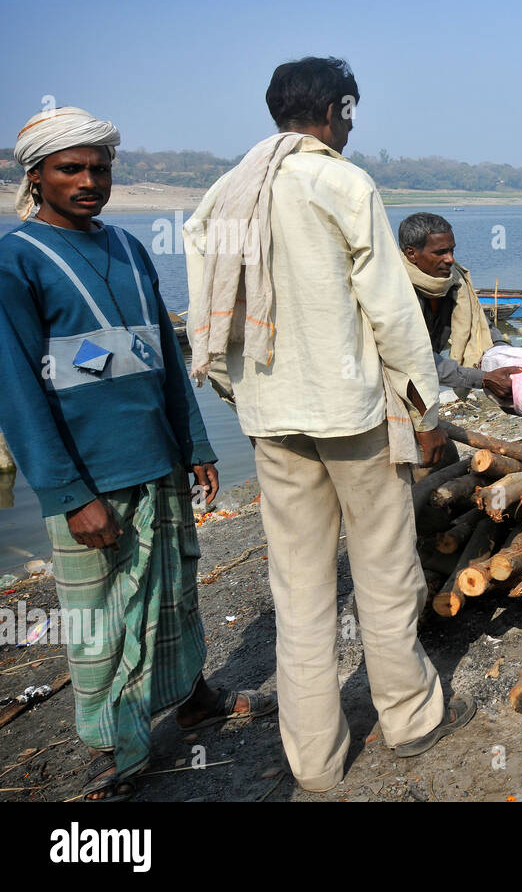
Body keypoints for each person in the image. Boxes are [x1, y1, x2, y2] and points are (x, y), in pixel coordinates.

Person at [183, 57, 474, 792]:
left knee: (300, 591)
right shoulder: (341, 183)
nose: (353, 122)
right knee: (384, 570)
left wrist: (239, 393)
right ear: (335, 112)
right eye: (351, 110)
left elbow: (206, 322)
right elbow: (390, 309)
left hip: (274, 423)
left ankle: (314, 762)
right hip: (352, 417)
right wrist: (425, 407)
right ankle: (409, 718)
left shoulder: (223, 195)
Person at [0, 108, 274, 802]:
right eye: (72, 168)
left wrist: (197, 444)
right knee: (102, 619)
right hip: (93, 478)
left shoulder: (127, 247)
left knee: (178, 592)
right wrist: (70, 495)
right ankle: (111, 748)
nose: (91, 180)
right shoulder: (17, 261)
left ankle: (193, 697)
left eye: (101, 168)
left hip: (160, 462)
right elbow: (17, 396)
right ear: (36, 176)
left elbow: (162, 361)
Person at [397, 212, 521, 411]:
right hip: (389, 383)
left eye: (452, 251)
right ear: (411, 254)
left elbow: (481, 326)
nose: (450, 259)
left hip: (422, 380)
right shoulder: (394, 290)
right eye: (440, 252)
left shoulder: (454, 282)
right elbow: (418, 358)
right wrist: (483, 379)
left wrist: (504, 351)